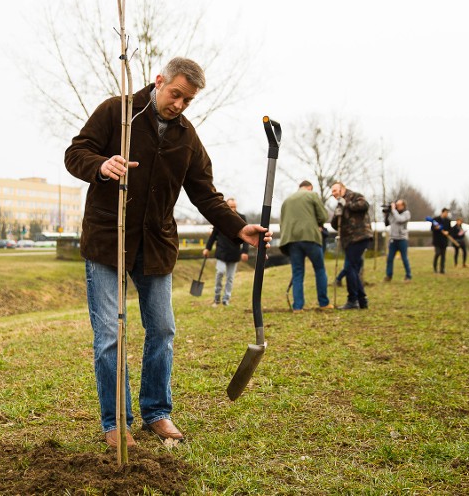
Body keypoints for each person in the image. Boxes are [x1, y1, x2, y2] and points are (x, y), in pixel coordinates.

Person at [64, 57, 271, 449]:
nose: (179, 104)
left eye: (187, 100)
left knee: (162, 330)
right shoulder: (117, 112)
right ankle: (116, 422)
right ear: (159, 81)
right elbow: (76, 153)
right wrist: (101, 164)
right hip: (108, 239)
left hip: (155, 245)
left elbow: (206, 194)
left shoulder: (186, 138)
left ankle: (156, 412)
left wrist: (237, 226)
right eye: (176, 94)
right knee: (110, 334)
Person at [279, 180, 330, 311]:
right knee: (319, 269)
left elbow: (282, 222)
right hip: (310, 237)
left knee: (297, 273)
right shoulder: (311, 195)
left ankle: (298, 306)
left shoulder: (287, 200)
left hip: (292, 240)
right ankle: (323, 303)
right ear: (310, 187)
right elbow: (323, 216)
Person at [331, 182, 373, 310]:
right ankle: (362, 300)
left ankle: (353, 300)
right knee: (353, 268)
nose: (334, 193)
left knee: (349, 268)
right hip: (348, 240)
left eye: (335, 190)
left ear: (342, 189)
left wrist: (347, 205)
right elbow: (335, 224)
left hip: (359, 237)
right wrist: (338, 214)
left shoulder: (354, 196)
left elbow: (365, 205)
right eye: (332, 191)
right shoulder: (339, 205)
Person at [203, 197, 249, 306]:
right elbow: (213, 235)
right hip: (221, 252)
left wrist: (245, 251)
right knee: (220, 272)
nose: (232, 209)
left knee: (230, 278)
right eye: (230, 207)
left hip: (234, 252)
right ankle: (216, 298)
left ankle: (226, 299)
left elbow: (246, 237)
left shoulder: (241, 218)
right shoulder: (220, 218)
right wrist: (207, 248)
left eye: (234, 207)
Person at [384, 199, 412, 282]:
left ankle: (408, 276)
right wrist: (387, 214)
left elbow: (400, 219)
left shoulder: (406, 213)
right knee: (389, 258)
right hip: (393, 239)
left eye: (398, 205)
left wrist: (393, 210)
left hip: (402, 239)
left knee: (404, 258)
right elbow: (387, 223)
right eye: (396, 204)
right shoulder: (393, 213)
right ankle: (389, 276)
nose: (396, 206)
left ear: (403, 206)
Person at [431, 208, 453, 274]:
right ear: (442, 212)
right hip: (437, 240)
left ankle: (442, 269)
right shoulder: (436, 219)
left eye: (447, 213)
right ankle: (435, 268)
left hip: (444, 241)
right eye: (446, 213)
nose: (446, 214)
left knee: (443, 255)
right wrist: (436, 228)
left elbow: (450, 230)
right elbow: (432, 228)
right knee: (438, 253)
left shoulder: (448, 221)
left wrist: (447, 232)